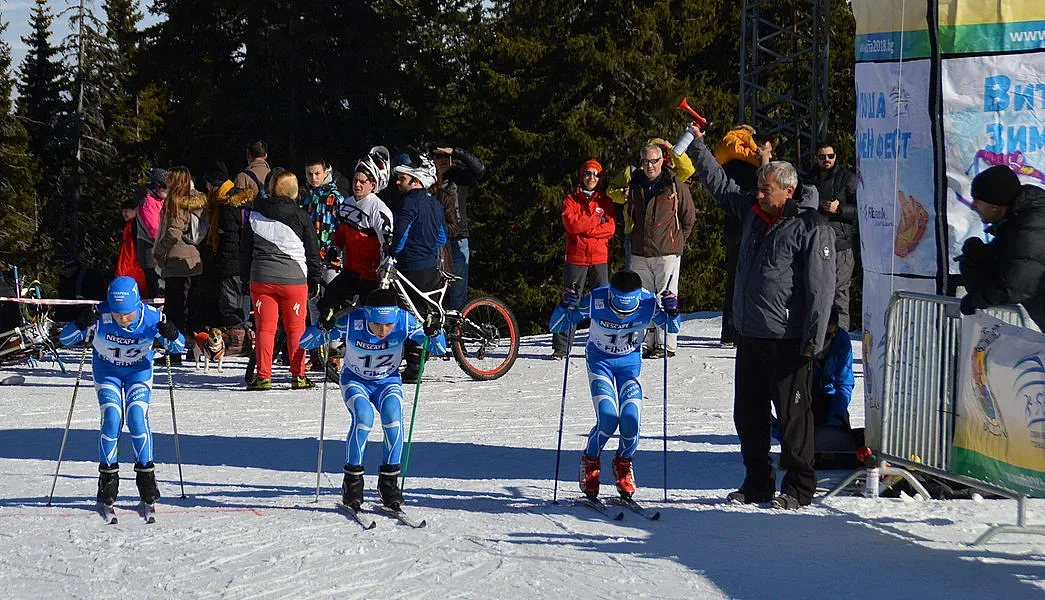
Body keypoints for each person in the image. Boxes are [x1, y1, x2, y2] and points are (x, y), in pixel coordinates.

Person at [689, 126, 836, 509]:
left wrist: (813, 340)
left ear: (788, 190)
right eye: (757, 188)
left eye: (765, 189)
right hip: (752, 334)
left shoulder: (810, 225)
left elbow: (821, 289)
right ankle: (757, 483)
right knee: (748, 416)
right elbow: (720, 187)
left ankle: (800, 487)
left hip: (789, 340)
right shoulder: (754, 214)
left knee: (793, 419)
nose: (758, 194)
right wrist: (698, 144)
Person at [299, 288, 446, 510]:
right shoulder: (351, 321)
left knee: (394, 420)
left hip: (387, 382)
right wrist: (321, 327)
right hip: (355, 381)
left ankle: (389, 484)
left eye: (388, 325)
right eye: (377, 325)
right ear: (367, 315)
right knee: (363, 418)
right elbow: (305, 343)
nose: (383, 330)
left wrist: (434, 332)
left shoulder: (404, 321)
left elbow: (439, 348)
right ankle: (353, 484)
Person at [549, 270, 679, 500]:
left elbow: (672, 327)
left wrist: (673, 310)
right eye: (617, 310)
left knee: (631, 421)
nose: (621, 317)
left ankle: (623, 464)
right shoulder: (597, 299)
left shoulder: (648, 301)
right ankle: (590, 461)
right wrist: (563, 304)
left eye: (627, 312)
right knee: (608, 419)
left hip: (629, 367)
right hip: (601, 364)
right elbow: (558, 325)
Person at [58, 276, 186, 508]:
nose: (123, 319)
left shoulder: (152, 317)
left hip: (138, 371)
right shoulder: (99, 315)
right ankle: (108, 479)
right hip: (107, 371)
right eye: (118, 315)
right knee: (112, 417)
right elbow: (64, 340)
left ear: (137, 305)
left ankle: (146, 477)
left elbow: (180, 347)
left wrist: (172, 333)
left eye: (128, 314)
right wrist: (79, 323)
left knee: (137, 416)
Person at [241, 170, 322, 390]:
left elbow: (245, 251)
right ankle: (299, 375)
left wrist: (244, 279)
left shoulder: (254, 214)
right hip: (294, 279)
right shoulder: (301, 215)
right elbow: (312, 251)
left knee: (265, 329)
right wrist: (315, 278)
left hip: (261, 278)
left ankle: (264, 376)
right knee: (296, 328)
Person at [625, 143, 696, 359]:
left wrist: (677, 242)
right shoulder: (635, 184)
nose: (649, 166)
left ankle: (666, 343)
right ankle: (646, 341)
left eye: (654, 161)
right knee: (644, 299)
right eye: (646, 161)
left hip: (667, 251)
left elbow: (688, 217)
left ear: (662, 161)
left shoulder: (673, 184)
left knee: (666, 298)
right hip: (640, 251)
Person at [959, 165, 1045, 330]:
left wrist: (974, 301)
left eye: (978, 200)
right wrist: (977, 259)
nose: (973, 206)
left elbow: (1015, 287)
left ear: (995, 204)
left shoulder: (1031, 226)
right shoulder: (1015, 222)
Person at [390, 154, 448, 383]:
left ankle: (413, 367)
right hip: (429, 266)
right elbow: (442, 237)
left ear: (414, 179)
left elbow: (401, 235)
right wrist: (425, 247)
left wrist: (393, 252)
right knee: (421, 313)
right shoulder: (434, 202)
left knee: (410, 315)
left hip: (410, 267)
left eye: (401, 178)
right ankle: (415, 364)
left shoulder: (409, 203)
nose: (397, 182)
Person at [320, 147, 394, 322]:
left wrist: (385, 272)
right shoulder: (345, 204)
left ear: (373, 185)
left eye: (362, 181)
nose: (357, 185)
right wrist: (335, 248)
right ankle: (332, 343)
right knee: (326, 302)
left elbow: (387, 243)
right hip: (350, 272)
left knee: (371, 317)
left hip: (371, 276)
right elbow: (341, 233)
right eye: (355, 180)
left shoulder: (379, 209)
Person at [551, 159, 615, 359]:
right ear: (582, 175)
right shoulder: (571, 200)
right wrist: (596, 221)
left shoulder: (605, 201)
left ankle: (604, 344)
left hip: (599, 257)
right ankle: (561, 347)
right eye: (588, 173)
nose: (591, 178)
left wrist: (585, 227)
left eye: (596, 174)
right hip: (576, 258)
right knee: (571, 300)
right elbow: (571, 225)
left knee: (603, 302)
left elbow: (610, 228)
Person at [713, 125, 768, 347]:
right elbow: (765, 183)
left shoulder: (731, 161)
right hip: (749, 224)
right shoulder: (754, 166)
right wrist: (764, 160)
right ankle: (743, 328)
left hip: (732, 223)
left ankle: (729, 330)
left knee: (734, 277)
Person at [607, 135, 696, 270]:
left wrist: (671, 148)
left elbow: (688, 170)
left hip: (664, 236)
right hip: (634, 230)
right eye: (648, 158)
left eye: (657, 157)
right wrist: (625, 195)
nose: (651, 164)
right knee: (635, 277)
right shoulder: (632, 172)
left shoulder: (671, 175)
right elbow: (610, 190)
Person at [152, 167, 207, 365]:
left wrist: (159, 250)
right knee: (192, 308)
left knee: (173, 309)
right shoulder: (197, 201)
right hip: (194, 259)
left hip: (177, 260)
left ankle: (173, 351)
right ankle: (196, 349)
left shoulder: (176, 202)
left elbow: (174, 231)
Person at [809, 140, 859, 331]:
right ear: (816, 158)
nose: (827, 160)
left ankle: (841, 339)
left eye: (830, 156)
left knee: (839, 294)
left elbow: (861, 210)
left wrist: (839, 210)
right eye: (822, 157)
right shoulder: (810, 178)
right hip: (815, 243)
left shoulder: (847, 178)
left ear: (836, 156)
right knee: (817, 292)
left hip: (841, 246)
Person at [431, 145, 485, 310]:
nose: (444, 160)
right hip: (432, 241)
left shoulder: (458, 177)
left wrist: (457, 152)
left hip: (457, 239)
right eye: (439, 156)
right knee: (431, 291)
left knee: (458, 295)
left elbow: (479, 169)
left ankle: (457, 333)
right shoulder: (425, 179)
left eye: (446, 156)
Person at [204, 162, 255, 326]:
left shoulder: (227, 204)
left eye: (208, 183)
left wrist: (223, 262)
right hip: (246, 260)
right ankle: (244, 333)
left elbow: (230, 238)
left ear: (214, 184)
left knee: (231, 303)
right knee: (243, 301)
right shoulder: (240, 200)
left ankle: (236, 337)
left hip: (232, 262)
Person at [299, 156, 346, 262]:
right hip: (309, 254)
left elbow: (343, 227)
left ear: (325, 173)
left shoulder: (336, 197)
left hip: (331, 254)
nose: (313, 178)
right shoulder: (305, 196)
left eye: (317, 173)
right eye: (310, 174)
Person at [134, 167, 167, 296]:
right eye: (165, 186)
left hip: (159, 251)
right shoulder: (147, 202)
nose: (167, 190)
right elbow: (153, 230)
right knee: (157, 289)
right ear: (157, 186)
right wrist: (170, 240)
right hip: (151, 252)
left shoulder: (159, 200)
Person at [115, 199, 148, 297]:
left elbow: (130, 252)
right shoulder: (131, 225)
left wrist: (121, 272)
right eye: (123, 211)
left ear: (135, 210)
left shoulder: (132, 225)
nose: (124, 214)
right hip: (133, 269)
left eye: (127, 211)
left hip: (132, 270)